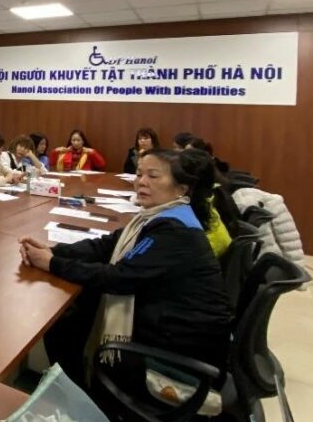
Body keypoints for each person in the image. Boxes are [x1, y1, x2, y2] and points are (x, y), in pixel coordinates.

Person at [19, 148, 231, 401]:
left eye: (153, 176)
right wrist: (52, 251)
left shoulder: (176, 231)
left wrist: (53, 264)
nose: (141, 181)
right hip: (166, 325)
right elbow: (105, 245)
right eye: (139, 174)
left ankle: (82, 402)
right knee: (76, 314)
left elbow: (119, 278)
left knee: (68, 324)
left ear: (182, 188)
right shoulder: (155, 218)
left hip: (176, 351)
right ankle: (75, 391)